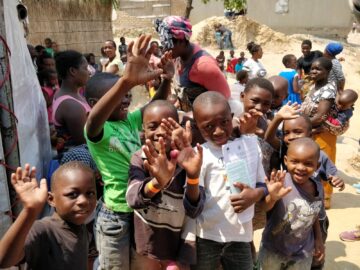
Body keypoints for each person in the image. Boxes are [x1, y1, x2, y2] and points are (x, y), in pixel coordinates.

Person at [84, 35, 173, 269]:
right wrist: (125, 81)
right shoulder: (98, 130)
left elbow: (156, 106)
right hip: (115, 216)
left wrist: (166, 79)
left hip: (140, 207)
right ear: (96, 102)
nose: (125, 99)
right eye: (117, 94)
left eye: (127, 94)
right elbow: (93, 120)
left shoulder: (130, 122)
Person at [187, 91, 290, 270]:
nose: (218, 131)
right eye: (209, 126)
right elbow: (194, 203)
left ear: (232, 117)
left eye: (224, 122)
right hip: (207, 236)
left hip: (240, 235)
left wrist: (255, 194)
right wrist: (193, 177)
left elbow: (261, 184)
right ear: (197, 126)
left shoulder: (249, 146)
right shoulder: (200, 155)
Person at [127, 102, 205, 269]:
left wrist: (192, 175)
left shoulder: (189, 159)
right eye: (153, 126)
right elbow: (132, 199)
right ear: (143, 130)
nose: (161, 132)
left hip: (179, 247)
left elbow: (194, 209)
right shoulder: (139, 158)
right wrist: (157, 183)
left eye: (167, 126)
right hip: (146, 247)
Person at [0, 162, 97, 269]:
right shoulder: (44, 229)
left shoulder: (82, 227)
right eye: (72, 194)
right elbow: (3, 260)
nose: (84, 201)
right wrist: (30, 211)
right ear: (51, 199)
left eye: (90, 193)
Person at [259, 138, 324, 270]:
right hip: (273, 249)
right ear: (286, 161)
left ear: (317, 166)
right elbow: (264, 207)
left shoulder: (318, 187)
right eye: (295, 162)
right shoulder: (280, 182)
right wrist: (272, 197)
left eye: (308, 163)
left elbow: (314, 213)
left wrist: (319, 239)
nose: (300, 167)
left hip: (302, 253)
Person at [155, 16, 230, 112]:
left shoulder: (203, 66)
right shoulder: (177, 57)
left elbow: (225, 101)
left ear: (181, 41)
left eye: (168, 44)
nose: (164, 49)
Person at [301, 57, 337, 208]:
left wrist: (301, 124)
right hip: (313, 130)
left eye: (318, 69)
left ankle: (325, 199)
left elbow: (321, 116)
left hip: (323, 132)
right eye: (312, 68)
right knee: (313, 163)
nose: (313, 71)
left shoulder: (328, 89)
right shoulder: (315, 86)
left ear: (327, 72)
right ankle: (314, 193)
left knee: (324, 162)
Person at [52, 50, 91, 151]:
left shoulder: (65, 94)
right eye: (85, 68)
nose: (89, 72)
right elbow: (86, 143)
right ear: (73, 71)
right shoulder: (71, 105)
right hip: (80, 163)